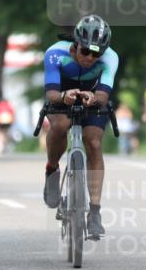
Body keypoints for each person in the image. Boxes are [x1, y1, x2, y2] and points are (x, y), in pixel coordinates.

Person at [42, 14, 118, 238]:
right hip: (61, 94)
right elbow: (51, 93)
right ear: (76, 44)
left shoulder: (110, 58)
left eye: (97, 53)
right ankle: (51, 169)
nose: (91, 58)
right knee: (60, 125)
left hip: (91, 96)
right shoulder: (56, 53)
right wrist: (65, 95)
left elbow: (103, 95)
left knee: (94, 140)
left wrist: (93, 98)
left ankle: (94, 212)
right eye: (86, 51)